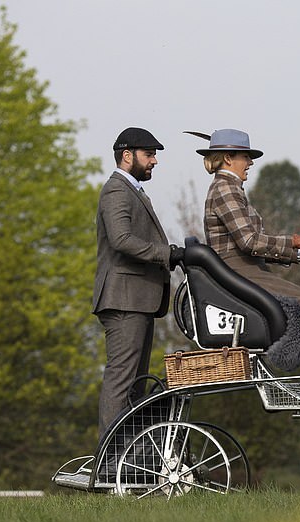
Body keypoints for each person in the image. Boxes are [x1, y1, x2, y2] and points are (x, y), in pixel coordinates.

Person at [196, 128, 300, 371]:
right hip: (240, 274)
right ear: (229, 158)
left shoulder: (229, 189)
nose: (250, 162)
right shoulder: (225, 189)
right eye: (246, 157)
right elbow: (249, 242)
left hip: (248, 271)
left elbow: (255, 244)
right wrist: (296, 241)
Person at [93, 127, 183, 438]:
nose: (155, 161)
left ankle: (126, 464)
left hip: (137, 299)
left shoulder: (133, 191)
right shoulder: (117, 190)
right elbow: (121, 240)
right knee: (122, 381)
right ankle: (110, 463)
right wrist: (167, 254)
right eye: (149, 154)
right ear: (127, 155)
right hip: (123, 299)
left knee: (134, 385)